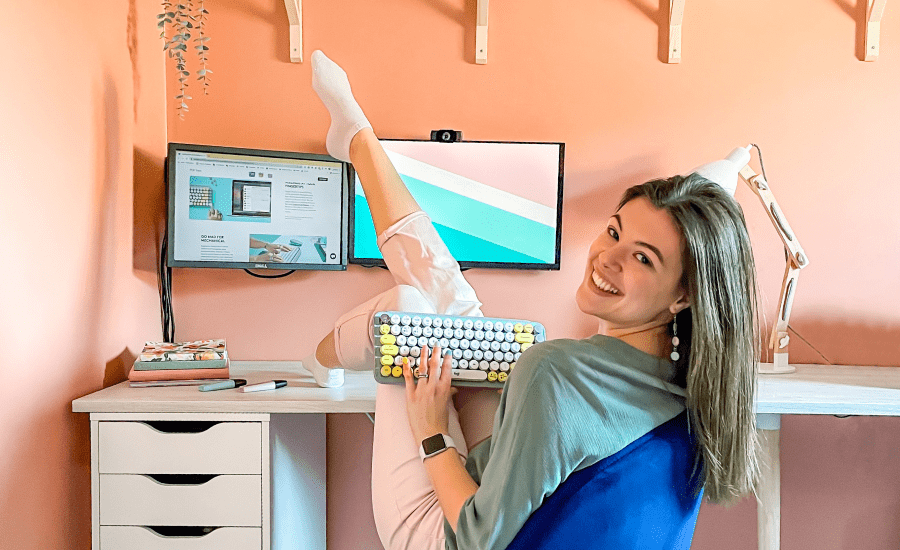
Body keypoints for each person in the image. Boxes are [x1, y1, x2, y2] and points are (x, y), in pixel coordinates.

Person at [300, 50, 761, 549]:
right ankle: (356, 139)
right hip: (524, 511)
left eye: (643, 258)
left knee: (407, 309)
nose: (606, 258)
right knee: (458, 310)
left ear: (684, 294)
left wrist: (432, 432)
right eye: (613, 231)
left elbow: (478, 537)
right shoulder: (705, 384)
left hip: (448, 534)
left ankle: (320, 360)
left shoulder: (555, 372)